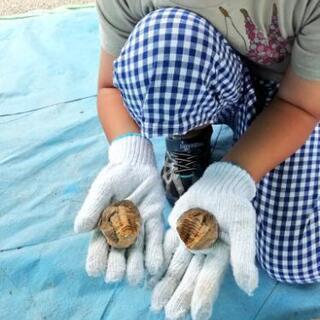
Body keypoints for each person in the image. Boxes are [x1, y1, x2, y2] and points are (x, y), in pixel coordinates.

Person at [74, 1, 320, 319]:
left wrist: (234, 176)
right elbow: (111, 86)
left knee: (292, 259)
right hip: (201, 75)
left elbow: (300, 104)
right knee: (164, 43)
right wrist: (129, 154)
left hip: (291, 92)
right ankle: (188, 135)